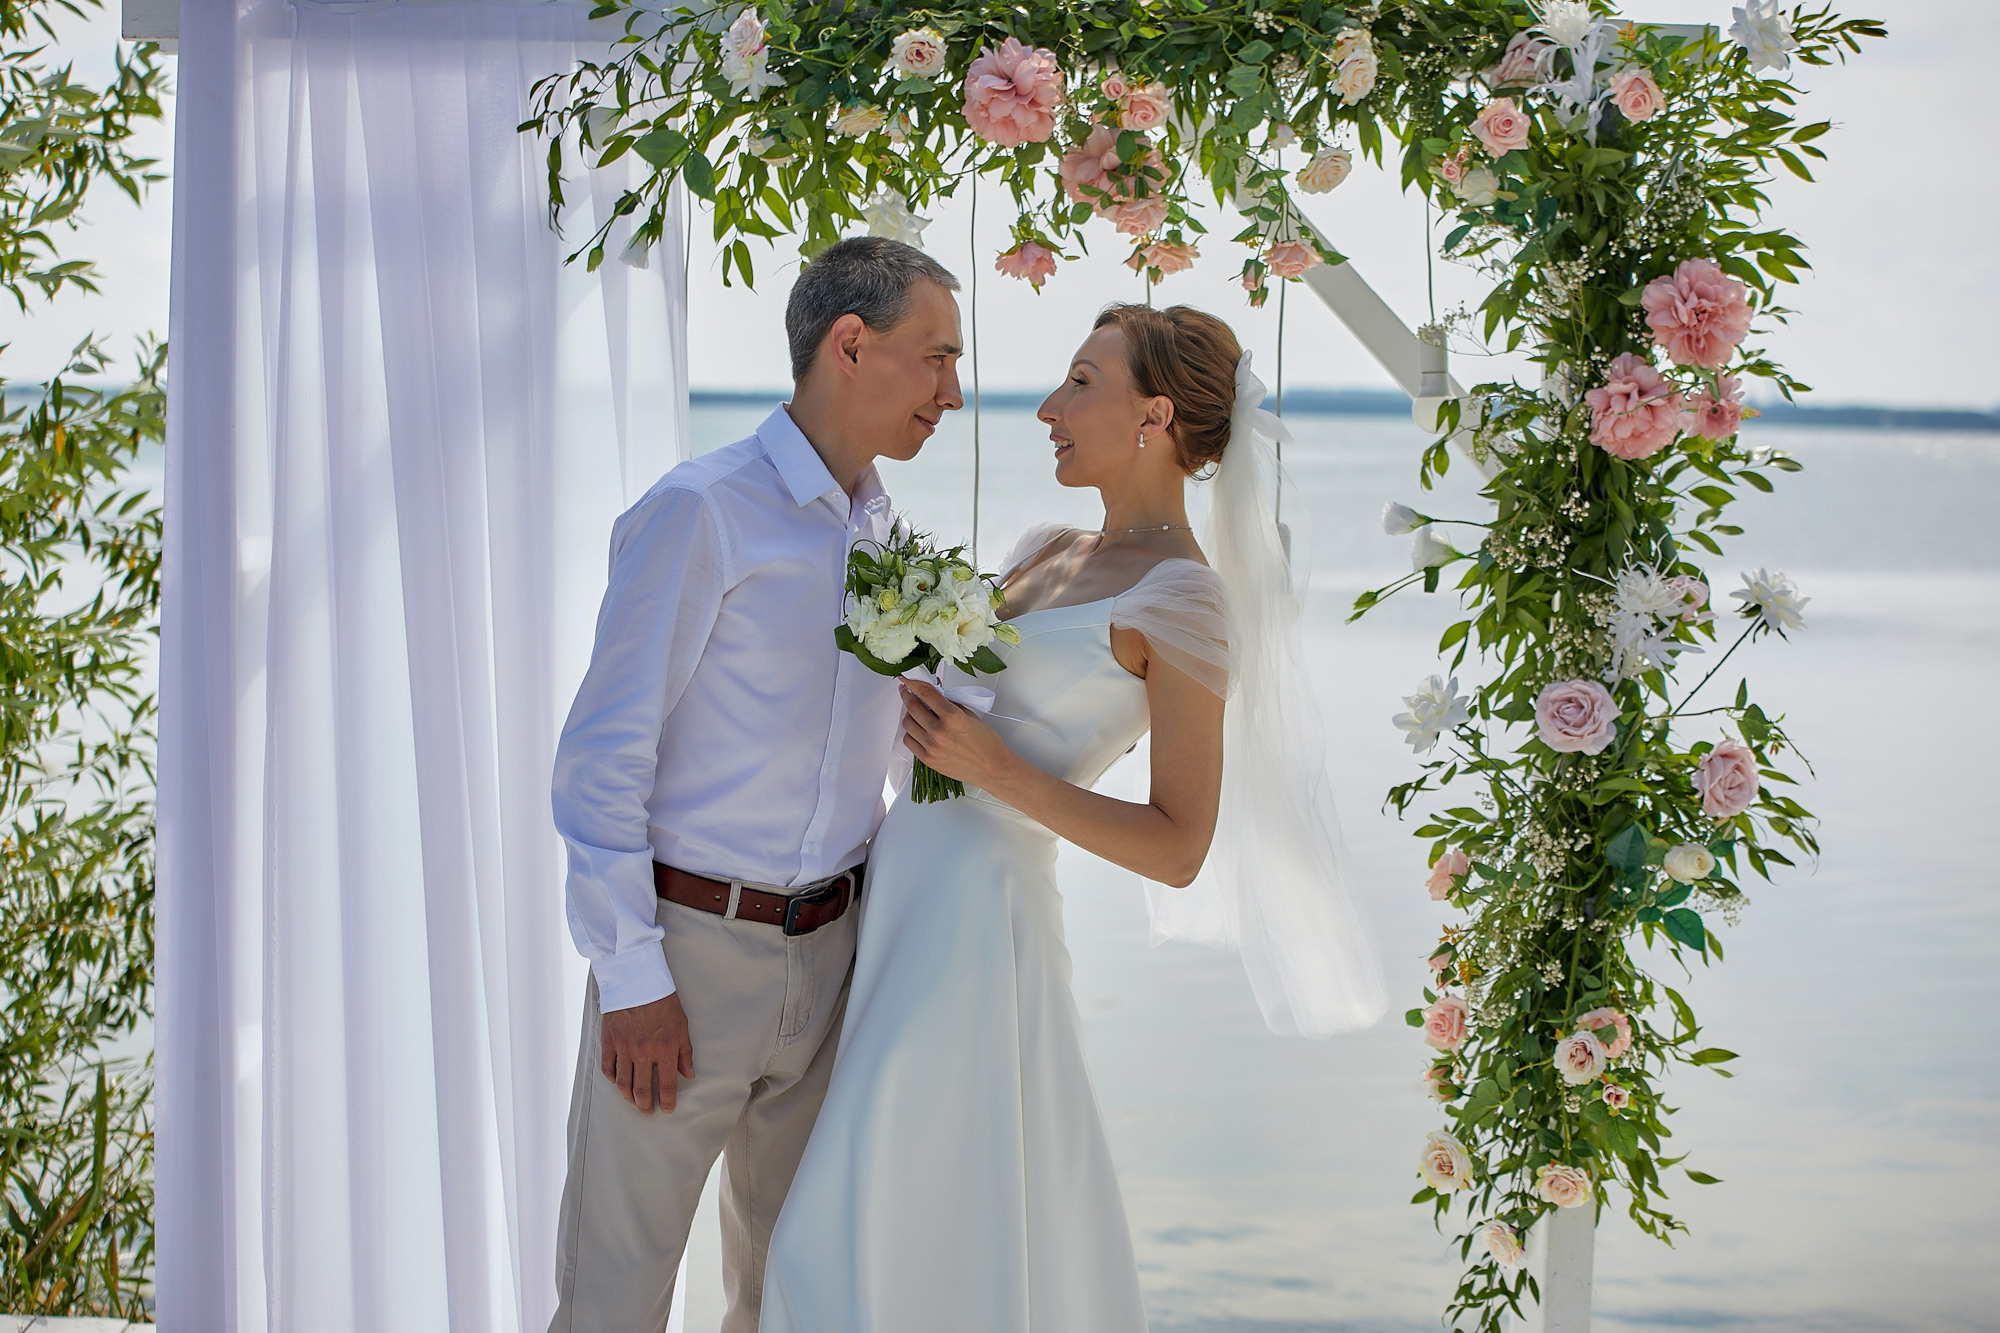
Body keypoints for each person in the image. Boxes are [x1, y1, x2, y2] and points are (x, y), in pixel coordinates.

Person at [759, 304, 1386, 1332]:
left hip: (978, 927)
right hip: (896, 896)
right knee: (879, 1225)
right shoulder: (1045, 548)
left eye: (1080, 384)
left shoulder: (1185, 601)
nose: (1048, 408)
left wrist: (995, 770)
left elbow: (1178, 847)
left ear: (1155, 416)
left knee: (853, 1227)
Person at [545, 236, 963, 1333]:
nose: (952, 395)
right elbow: (600, 759)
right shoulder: (702, 510)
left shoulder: (884, 531)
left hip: (833, 964)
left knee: (793, 1301)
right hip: (687, 963)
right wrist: (632, 977)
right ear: (850, 344)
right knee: (613, 1301)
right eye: (936, 359)